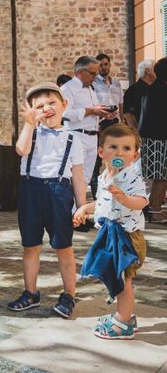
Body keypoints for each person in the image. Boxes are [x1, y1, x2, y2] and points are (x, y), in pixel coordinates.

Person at [7, 82, 86, 318]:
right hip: (31, 190)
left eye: (52, 103)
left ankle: (69, 295)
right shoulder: (31, 132)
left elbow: (78, 176)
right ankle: (30, 293)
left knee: (64, 247)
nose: (47, 109)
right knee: (31, 246)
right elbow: (21, 150)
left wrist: (81, 207)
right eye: (39, 106)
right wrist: (29, 123)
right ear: (33, 111)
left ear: (64, 105)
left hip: (59, 192)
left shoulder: (73, 139)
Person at [74, 124, 149, 340]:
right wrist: (84, 209)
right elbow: (102, 203)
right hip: (109, 235)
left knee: (123, 281)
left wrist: (125, 198)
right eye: (113, 147)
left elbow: (141, 202)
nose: (119, 152)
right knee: (117, 278)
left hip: (127, 239)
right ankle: (127, 316)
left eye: (126, 148)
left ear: (134, 156)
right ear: (101, 152)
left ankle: (123, 323)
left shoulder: (132, 177)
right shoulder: (104, 176)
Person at [60, 56, 116, 197]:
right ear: (81, 72)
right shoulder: (67, 88)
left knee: (85, 178)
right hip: (76, 136)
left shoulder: (91, 89)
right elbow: (64, 114)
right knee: (74, 177)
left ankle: (79, 212)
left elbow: (91, 115)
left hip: (92, 137)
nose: (95, 76)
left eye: (96, 73)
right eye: (92, 73)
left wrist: (102, 114)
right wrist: (91, 110)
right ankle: (71, 213)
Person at [138, 57, 167, 223]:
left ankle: (154, 209)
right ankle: (154, 210)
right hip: (159, 138)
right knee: (161, 176)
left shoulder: (153, 89)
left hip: (153, 138)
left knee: (160, 176)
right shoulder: (160, 90)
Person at [91, 53, 123, 194]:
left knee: (118, 156)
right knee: (99, 158)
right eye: (101, 65)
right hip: (101, 124)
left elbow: (120, 103)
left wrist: (121, 119)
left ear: (109, 65)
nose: (103, 67)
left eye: (105, 64)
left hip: (115, 123)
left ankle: (117, 189)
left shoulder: (116, 83)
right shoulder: (93, 84)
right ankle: (97, 194)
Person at [122, 59, 155, 129]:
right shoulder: (133, 90)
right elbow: (128, 113)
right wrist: (137, 133)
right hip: (141, 134)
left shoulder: (154, 88)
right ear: (147, 71)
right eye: (155, 68)